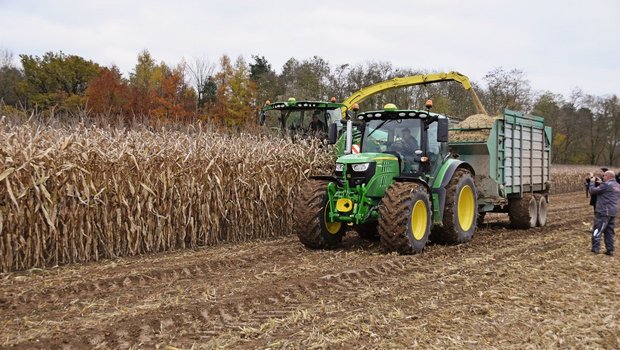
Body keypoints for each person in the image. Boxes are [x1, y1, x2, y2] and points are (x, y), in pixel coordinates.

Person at [588, 169, 620, 256]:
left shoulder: (606, 185)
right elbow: (607, 190)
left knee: (597, 229)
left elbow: (592, 191)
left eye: (604, 176)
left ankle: (595, 248)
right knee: (609, 231)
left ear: (608, 176)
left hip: (603, 211)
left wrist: (591, 181)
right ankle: (610, 250)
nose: (603, 177)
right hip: (612, 212)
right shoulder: (617, 185)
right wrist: (601, 182)